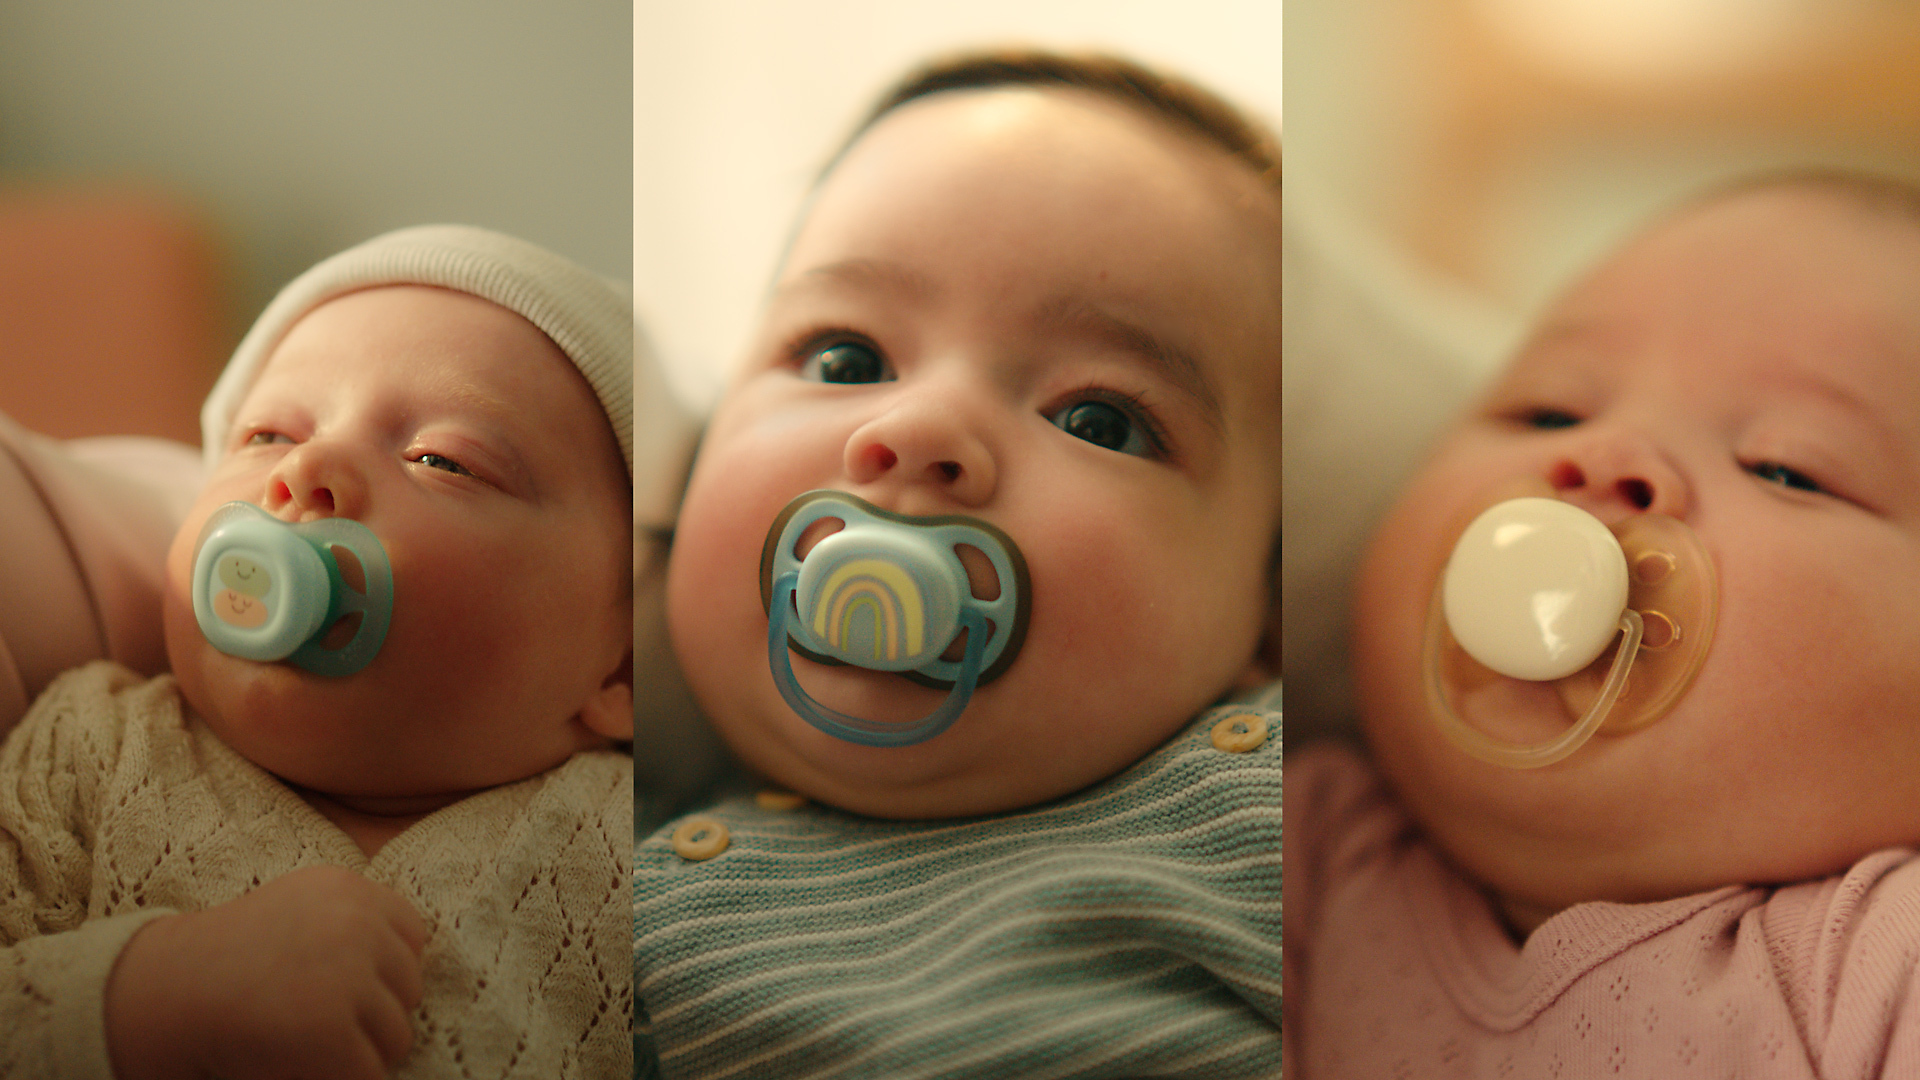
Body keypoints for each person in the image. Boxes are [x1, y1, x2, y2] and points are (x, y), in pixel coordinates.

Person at [631, 50, 1282, 1079]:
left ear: (1268, 614)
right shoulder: (581, 846)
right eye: (845, 359)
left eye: (1098, 418)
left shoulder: (1286, 819)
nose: (921, 427)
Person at [1286, 172, 1920, 1077]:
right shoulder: (1294, 855)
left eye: (1784, 466)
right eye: (1548, 410)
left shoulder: (1878, 964)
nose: (1602, 459)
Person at [0, 225, 637, 1079]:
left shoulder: (631, 845)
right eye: (265, 436)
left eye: (441, 459)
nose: (306, 470)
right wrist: (140, 999)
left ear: (620, 667)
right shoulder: (91, 746)